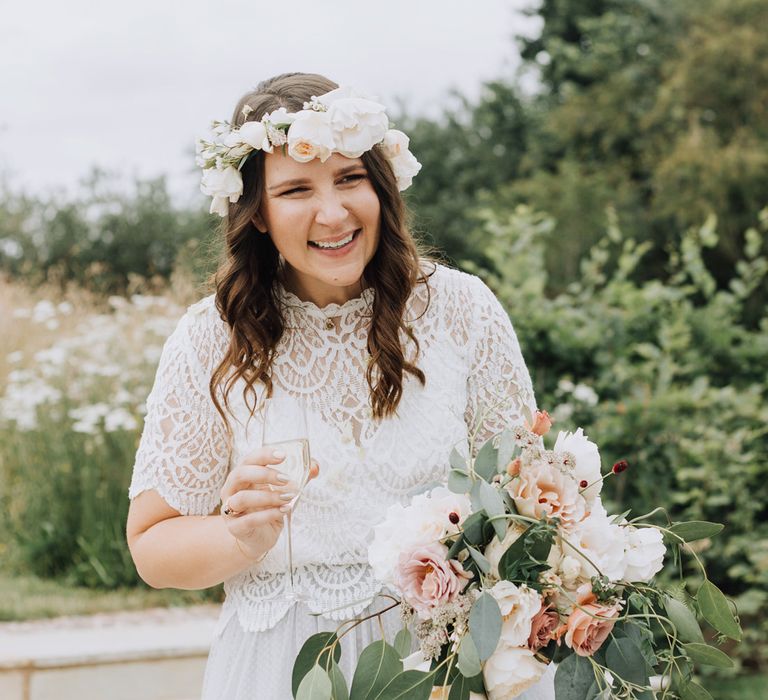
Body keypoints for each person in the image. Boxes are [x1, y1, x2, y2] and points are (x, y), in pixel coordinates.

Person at [126, 72, 554, 699]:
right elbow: (152, 546)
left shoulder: (461, 309)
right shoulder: (210, 341)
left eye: (350, 178)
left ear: (381, 185)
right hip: (284, 669)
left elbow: (528, 501)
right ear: (260, 216)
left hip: (448, 661)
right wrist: (238, 536)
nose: (333, 212)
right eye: (296, 189)